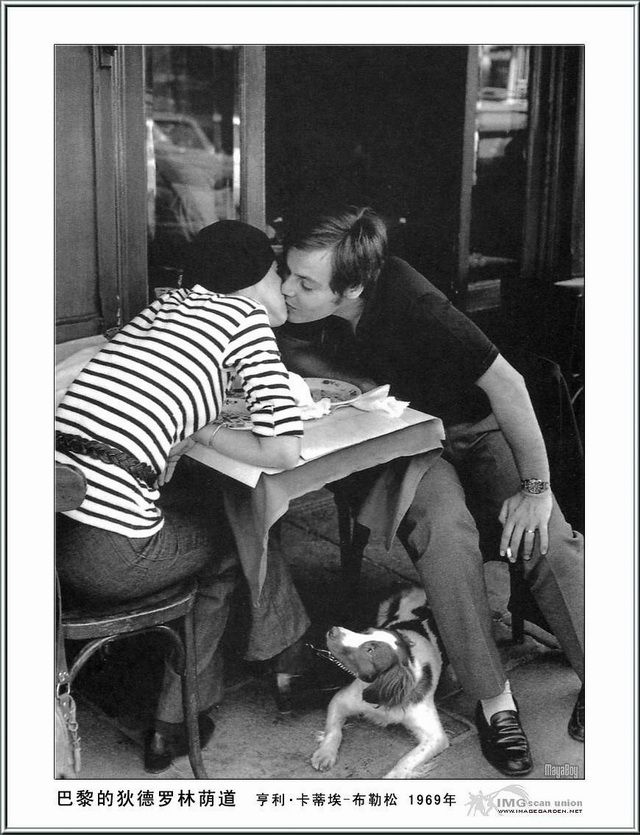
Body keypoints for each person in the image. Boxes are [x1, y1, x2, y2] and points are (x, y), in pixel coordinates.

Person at [273, 206, 584, 777]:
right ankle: (494, 701)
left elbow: (509, 385)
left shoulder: (415, 302)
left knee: (549, 536)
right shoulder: (295, 304)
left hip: (478, 425)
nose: (288, 288)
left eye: (305, 283)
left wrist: (537, 489)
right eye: (286, 272)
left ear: (352, 288)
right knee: (444, 532)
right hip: (412, 440)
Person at [55, 220, 309, 774]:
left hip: (53, 538)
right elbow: (284, 450)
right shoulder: (245, 320)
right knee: (238, 538)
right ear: (252, 280)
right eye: (277, 273)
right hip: (111, 558)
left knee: (212, 508)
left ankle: (287, 653)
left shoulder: (164, 307)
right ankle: (177, 720)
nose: (285, 287)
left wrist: (194, 425)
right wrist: (205, 433)